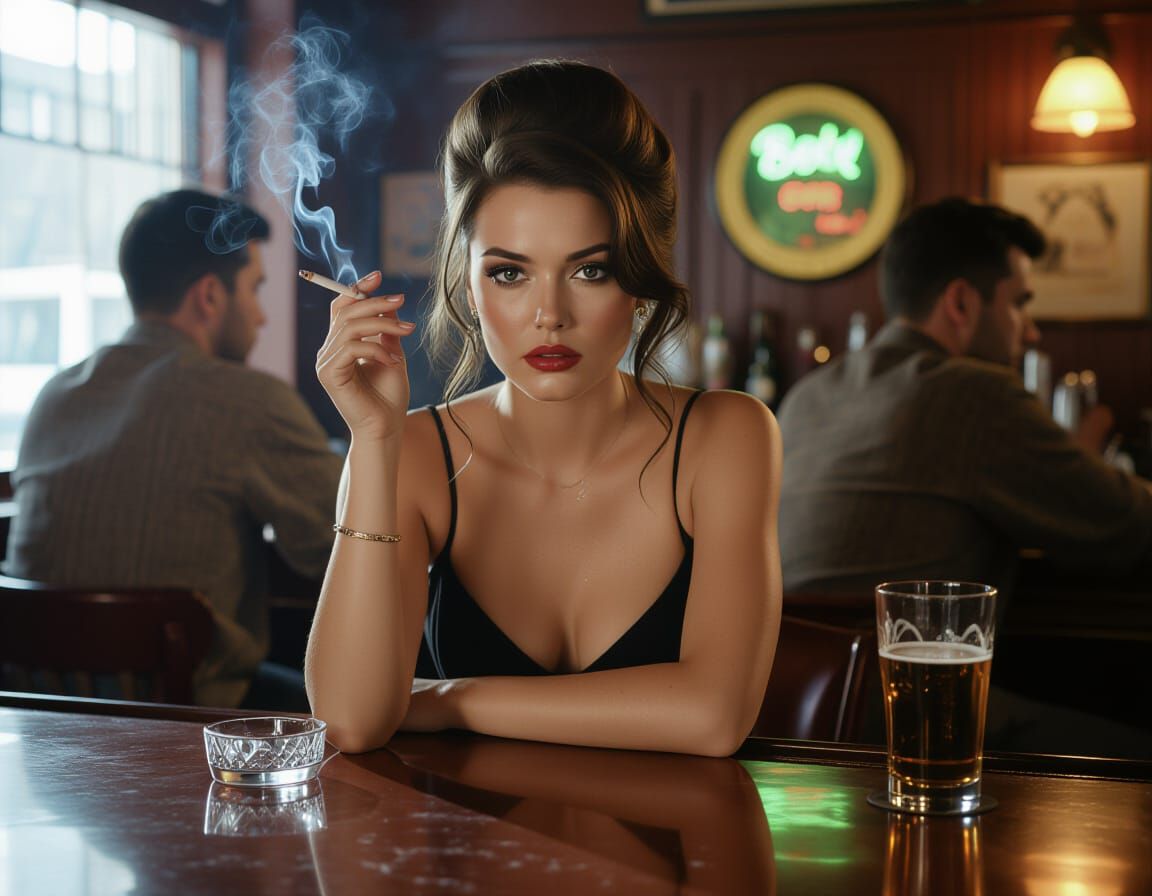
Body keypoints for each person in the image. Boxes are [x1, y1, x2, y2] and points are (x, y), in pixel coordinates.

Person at [307, 59, 781, 756]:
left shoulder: (727, 437)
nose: (549, 316)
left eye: (591, 270)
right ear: (468, 286)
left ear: (640, 279)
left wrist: (449, 697)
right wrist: (374, 441)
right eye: (509, 272)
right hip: (455, 860)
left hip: (677, 859)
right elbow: (349, 721)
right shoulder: (407, 452)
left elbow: (713, 718)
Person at [4, 188, 343, 710]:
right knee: (363, 706)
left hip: (41, 723)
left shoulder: (55, 395)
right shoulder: (247, 399)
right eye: (254, 290)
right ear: (209, 296)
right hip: (188, 723)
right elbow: (338, 547)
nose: (261, 317)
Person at [778, 197, 1152, 601]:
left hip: (793, 661)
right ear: (960, 303)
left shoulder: (808, 394)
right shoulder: (975, 393)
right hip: (903, 662)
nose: (1030, 333)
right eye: (1019, 304)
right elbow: (1128, 521)